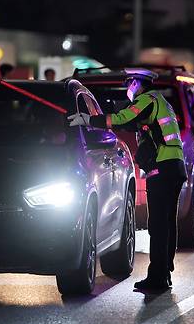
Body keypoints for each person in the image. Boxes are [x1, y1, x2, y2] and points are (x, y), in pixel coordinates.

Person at [68, 68, 186, 291]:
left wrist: (88, 119)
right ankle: (164, 272)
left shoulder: (146, 99)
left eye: (130, 83)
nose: (128, 88)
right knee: (167, 223)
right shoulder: (161, 102)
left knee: (158, 225)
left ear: (138, 83)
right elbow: (130, 123)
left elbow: (124, 117)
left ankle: (158, 278)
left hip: (162, 168)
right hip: (174, 166)